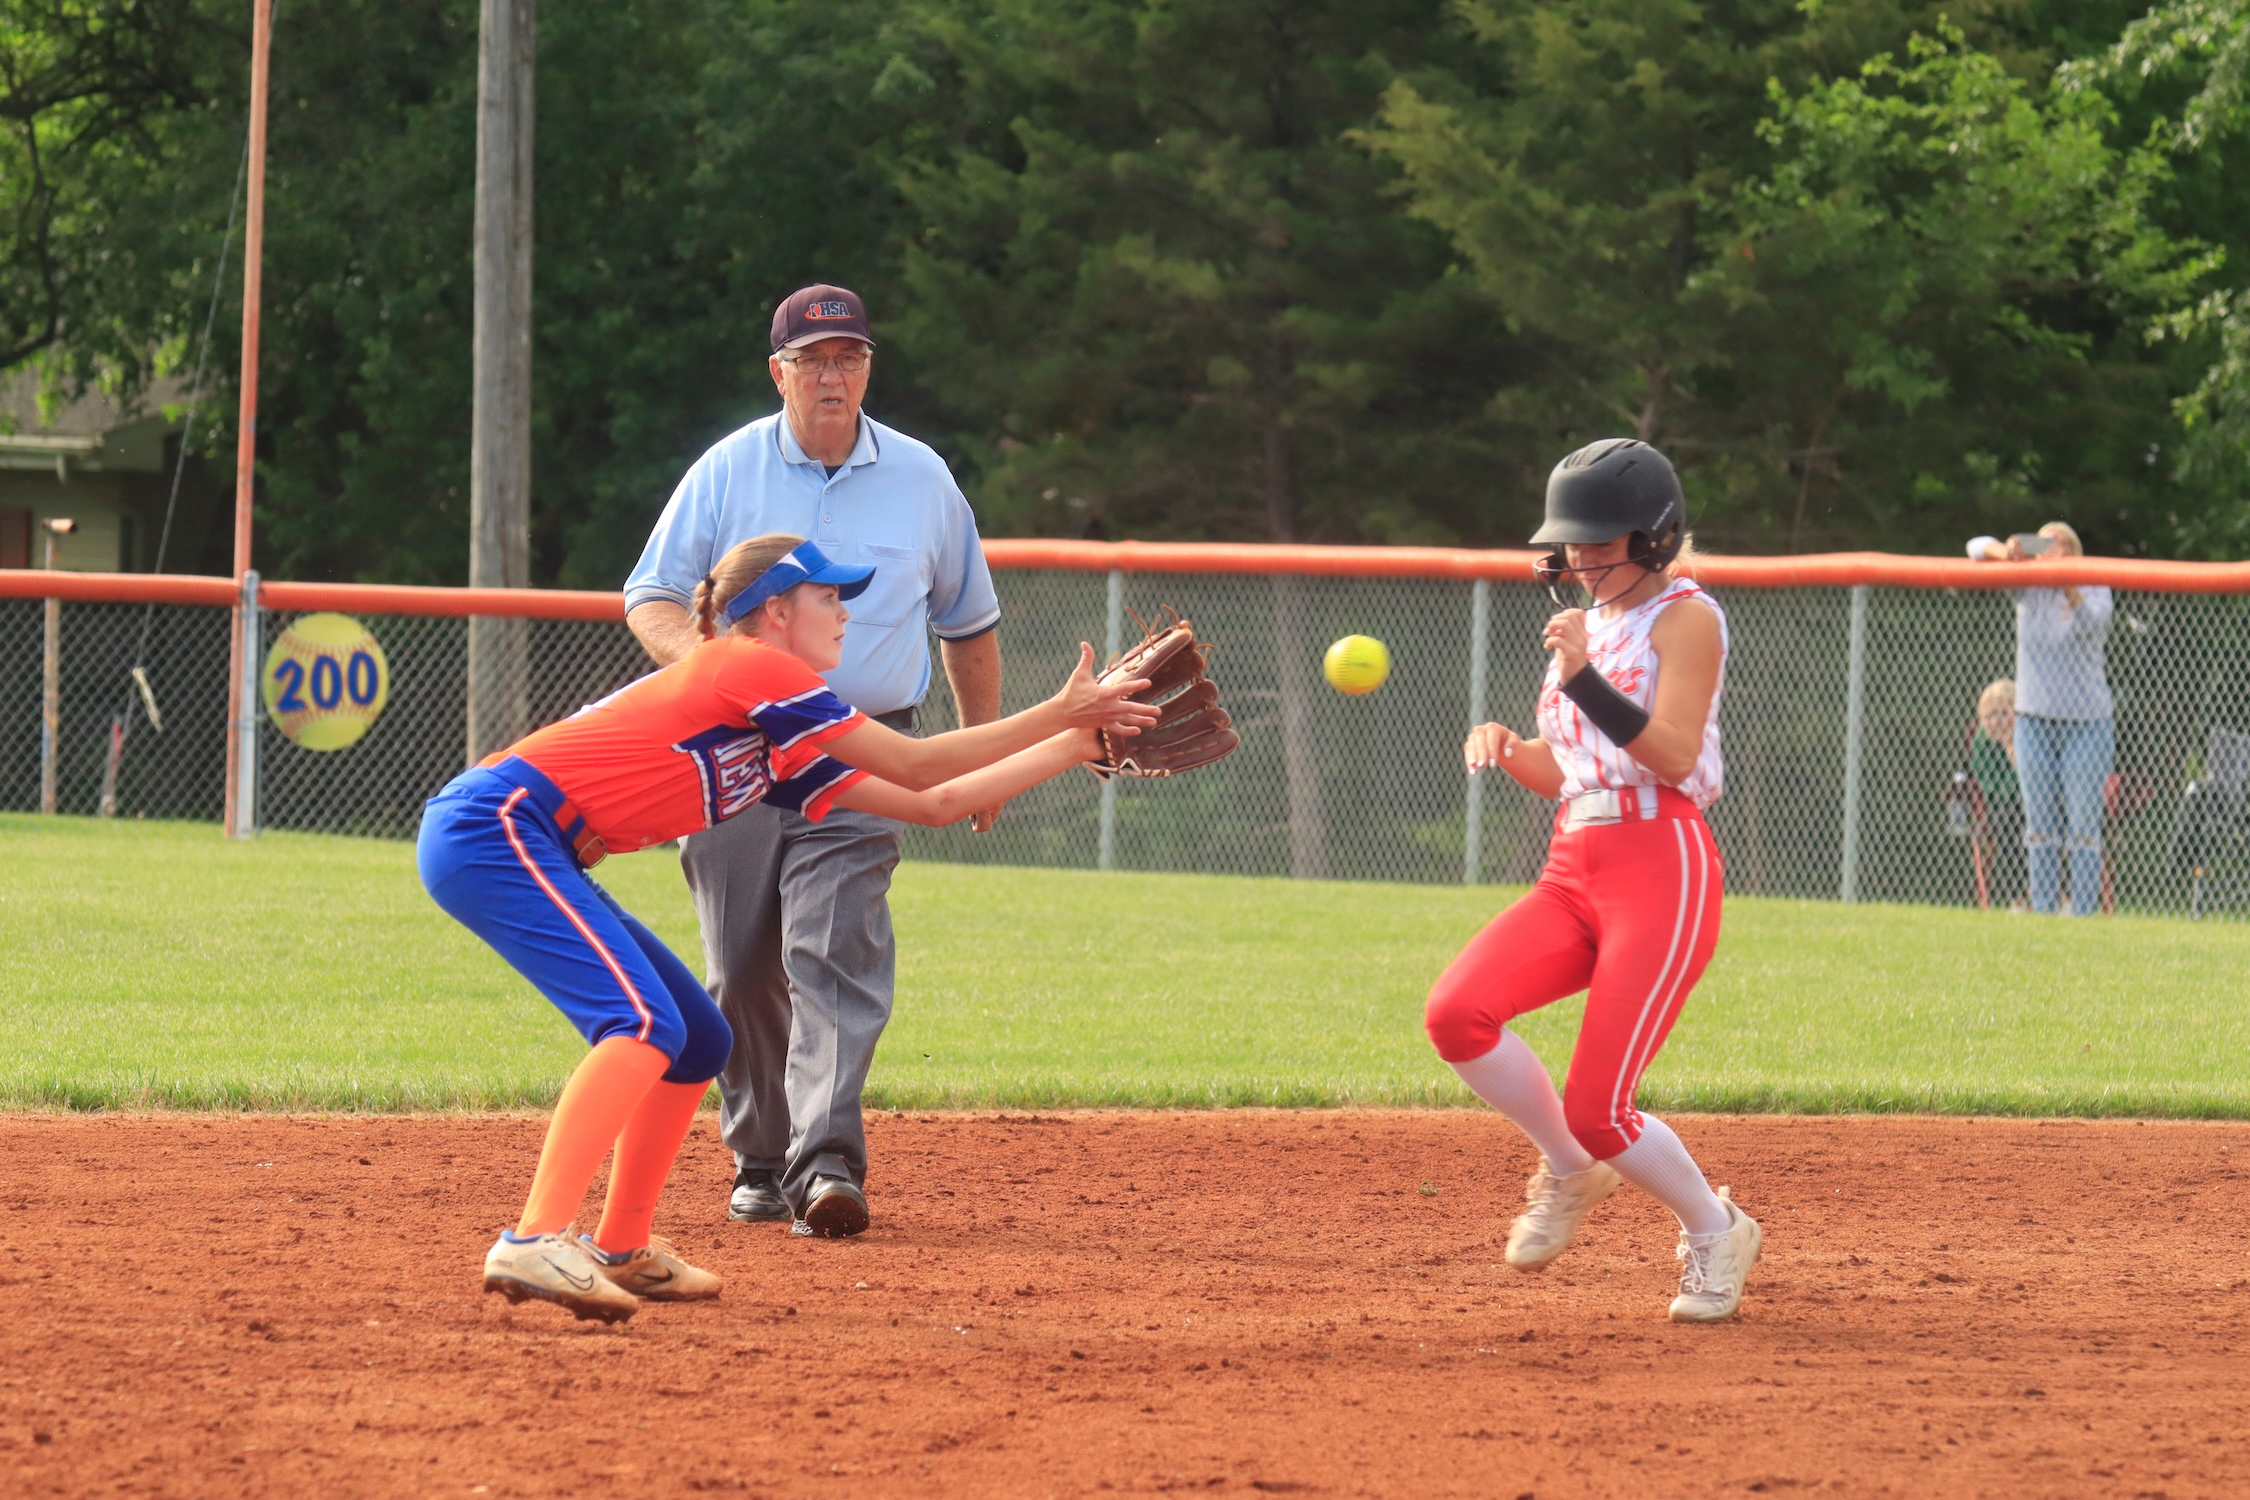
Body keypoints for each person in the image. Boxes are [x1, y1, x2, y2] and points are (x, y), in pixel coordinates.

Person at [419, 534, 1155, 1321]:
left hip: (530, 840)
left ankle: (622, 1248)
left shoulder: (775, 739)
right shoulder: (750, 665)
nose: (845, 613)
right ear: (774, 610)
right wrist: (1059, 709)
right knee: (640, 1024)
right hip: (497, 826)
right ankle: (534, 1238)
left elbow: (933, 803)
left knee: (699, 1040)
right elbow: (917, 764)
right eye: (828, 597)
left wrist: (1075, 743)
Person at [624, 284, 1004, 1238]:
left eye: (850, 358)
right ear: (779, 372)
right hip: (736, 750)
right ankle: (761, 1155)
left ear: (868, 368)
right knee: (743, 966)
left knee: (832, 950)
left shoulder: (923, 478)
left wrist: (973, 751)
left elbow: (967, 625)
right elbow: (652, 595)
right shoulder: (728, 470)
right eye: (813, 360)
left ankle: (827, 1159)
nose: (833, 376)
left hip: (863, 743)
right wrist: (715, 670)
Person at [1423, 438, 1761, 1324]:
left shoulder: (1687, 617)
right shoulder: (1589, 623)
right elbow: (1569, 770)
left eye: (1600, 542)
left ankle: (1716, 1229)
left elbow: (1674, 755)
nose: (1579, 558)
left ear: (1654, 539)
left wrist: (1581, 679)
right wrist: (1510, 747)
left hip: (1662, 864)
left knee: (1601, 1105)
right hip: (1575, 862)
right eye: (1571, 543)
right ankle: (1572, 1170)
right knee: (1456, 1015)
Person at [1967, 524, 2114, 915]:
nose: (2051, 549)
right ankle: (2044, 909)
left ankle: (2082, 912)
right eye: (2044, 543)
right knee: (2040, 825)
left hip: (2087, 723)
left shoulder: (2095, 583)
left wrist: (2067, 584)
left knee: (2083, 825)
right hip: (2033, 721)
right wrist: (2007, 553)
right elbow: (1974, 547)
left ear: (2074, 551)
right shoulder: (2027, 584)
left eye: (2060, 544)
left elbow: (2092, 625)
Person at [1970, 678, 2026, 910]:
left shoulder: (2027, 737)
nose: (1996, 722)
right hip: (2001, 805)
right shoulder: (1982, 742)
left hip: (2031, 801)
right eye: (1989, 716)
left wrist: (2016, 757)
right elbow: (1988, 782)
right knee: (2006, 823)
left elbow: (2030, 781)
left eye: (2004, 714)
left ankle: (2058, 894)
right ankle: (2018, 897)